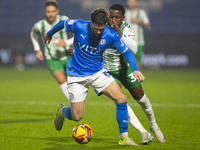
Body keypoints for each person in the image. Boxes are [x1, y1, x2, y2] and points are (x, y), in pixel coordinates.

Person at [44, 8, 145, 146]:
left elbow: (127, 53)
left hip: (97, 73)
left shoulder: (111, 35)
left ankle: (124, 138)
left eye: (101, 29)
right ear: (91, 23)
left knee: (121, 98)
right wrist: (49, 34)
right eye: (96, 29)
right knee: (77, 116)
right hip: (76, 74)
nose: (98, 32)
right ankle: (62, 112)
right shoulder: (79, 25)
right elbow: (62, 23)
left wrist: (135, 70)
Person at [103, 4, 165, 143]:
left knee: (141, 99)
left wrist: (120, 36)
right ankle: (143, 132)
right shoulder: (102, 28)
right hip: (108, 72)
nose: (113, 20)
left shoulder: (126, 28)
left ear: (122, 18)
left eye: (117, 17)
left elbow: (134, 49)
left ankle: (154, 125)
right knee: (121, 100)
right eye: (111, 17)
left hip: (126, 69)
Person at [30, 0, 73, 100]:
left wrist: (66, 42)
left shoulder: (64, 20)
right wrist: (37, 50)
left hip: (67, 56)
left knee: (72, 83)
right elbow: (33, 34)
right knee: (61, 80)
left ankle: (75, 103)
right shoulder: (40, 25)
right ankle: (73, 103)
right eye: (48, 11)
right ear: (45, 12)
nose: (51, 14)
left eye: (53, 11)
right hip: (52, 59)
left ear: (57, 11)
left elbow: (78, 34)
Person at [125, 0, 151, 70]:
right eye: (129, 1)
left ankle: (136, 79)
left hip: (138, 42)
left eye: (133, 1)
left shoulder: (141, 13)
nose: (131, 3)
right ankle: (127, 78)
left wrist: (138, 21)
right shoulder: (125, 13)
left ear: (136, 3)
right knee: (125, 61)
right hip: (127, 42)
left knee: (137, 62)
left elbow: (148, 26)